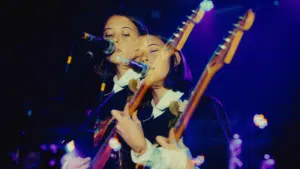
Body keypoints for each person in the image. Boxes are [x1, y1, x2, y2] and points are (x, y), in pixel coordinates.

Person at [111, 34, 230, 169]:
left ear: (175, 58)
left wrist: (142, 149)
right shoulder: (135, 119)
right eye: (137, 56)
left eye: (153, 50)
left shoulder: (202, 107)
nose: (143, 58)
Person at [61, 14, 148, 169]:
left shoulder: (149, 88)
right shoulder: (102, 93)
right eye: (109, 35)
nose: (115, 40)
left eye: (125, 34)